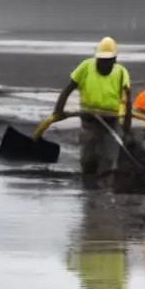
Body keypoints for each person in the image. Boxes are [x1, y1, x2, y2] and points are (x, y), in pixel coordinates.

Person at [52, 37, 131, 189]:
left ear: (114, 59)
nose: (104, 63)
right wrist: (58, 111)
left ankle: (103, 186)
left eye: (108, 60)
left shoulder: (121, 72)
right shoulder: (86, 67)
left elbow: (127, 100)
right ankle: (88, 187)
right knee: (88, 155)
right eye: (101, 59)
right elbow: (68, 89)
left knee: (107, 156)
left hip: (111, 119)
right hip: (89, 118)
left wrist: (126, 126)